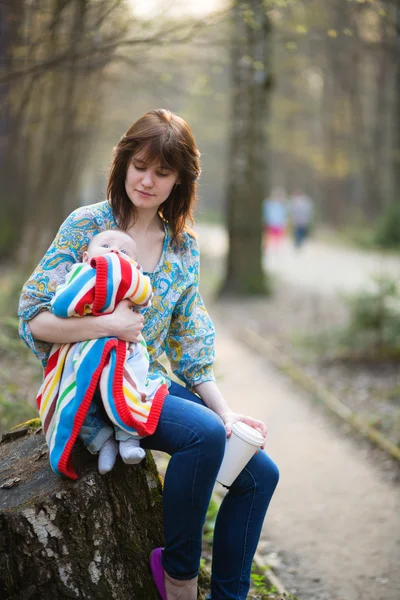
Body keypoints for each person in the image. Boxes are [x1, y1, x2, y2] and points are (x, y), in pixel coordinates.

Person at [18, 108, 279, 600]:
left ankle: (229, 596)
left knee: (259, 473)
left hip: (144, 383)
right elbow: (32, 318)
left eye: (163, 172)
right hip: (95, 387)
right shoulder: (87, 226)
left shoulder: (182, 246)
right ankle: (178, 577)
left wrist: (226, 413)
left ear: (180, 180)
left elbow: (190, 338)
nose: (148, 180)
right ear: (123, 162)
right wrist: (107, 324)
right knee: (200, 436)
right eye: (140, 165)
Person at [38, 229, 168, 479]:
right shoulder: (80, 274)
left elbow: (145, 297)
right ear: (86, 257)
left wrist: (126, 279)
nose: (115, 251)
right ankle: (103, 443)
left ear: (136, 264)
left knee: (129, 388)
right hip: (84, 350)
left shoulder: (135, 278)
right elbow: (63, 305)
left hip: (125, 352)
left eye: (124, 251)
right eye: (106, 245)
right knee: (80, 399)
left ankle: (129, 439)